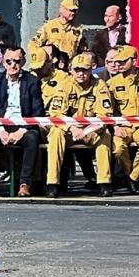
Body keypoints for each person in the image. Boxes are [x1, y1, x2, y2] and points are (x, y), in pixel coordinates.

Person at [43, 54, 115, 196]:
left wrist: (86, 131)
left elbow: (105, 116)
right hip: (70, 130)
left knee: (105, 136)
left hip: (91, 130)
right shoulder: (64, 85)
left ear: (91, 70)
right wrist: (73, 128)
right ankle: (52, 183)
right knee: (55, 134)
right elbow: (56, 114)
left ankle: (104, 182)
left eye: (85, 70)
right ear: (71, 70)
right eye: (77, 70)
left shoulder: (99, 85)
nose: (81, 74)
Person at [0, 47, 44, 197]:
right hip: (2, 123)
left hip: (23, 124)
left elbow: (37, 112)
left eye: (16, 61)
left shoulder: (32, 81)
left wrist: (21, 130)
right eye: (8, 61)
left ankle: (25, 183)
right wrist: (1, 130)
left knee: (32, 138)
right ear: (3, 62)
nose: (12, 65)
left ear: (23, 62)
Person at [103, 45, 139, 194]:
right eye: (116, 62)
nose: (118, 65)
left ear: (133, 61)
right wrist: (115, 127)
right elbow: (108, 111)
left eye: (122, 62)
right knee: (118, 148)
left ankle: (133, 177)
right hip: (122, 125)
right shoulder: (111, 84)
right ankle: (135, 177)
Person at [29, 0, 81, 75]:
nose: (73, 13)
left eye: (75, 11)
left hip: (69, 70)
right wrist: (41, 58)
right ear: (61, 9)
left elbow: (81, 50)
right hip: (52, 69)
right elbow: (33, 44)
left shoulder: (78, 29)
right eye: (70, 10)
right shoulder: (49, 26)